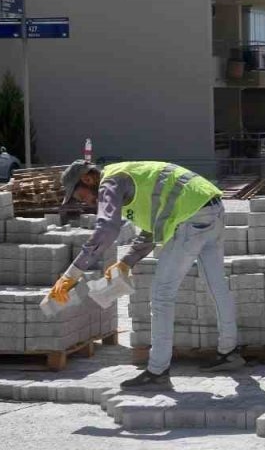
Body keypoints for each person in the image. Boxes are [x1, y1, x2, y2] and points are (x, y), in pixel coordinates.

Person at [47, 160, 242, 390]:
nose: (85, 202)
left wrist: (71, 275)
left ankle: (157, 372)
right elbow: (152, 230)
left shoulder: (110, 182)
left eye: (80, 196)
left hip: (193, 216)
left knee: (161, 296)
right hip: (212, 208)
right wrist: (125, 263)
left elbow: (107, 228)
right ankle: (229, 352)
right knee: (216, 284)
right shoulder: (134, 178)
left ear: (88, 179)